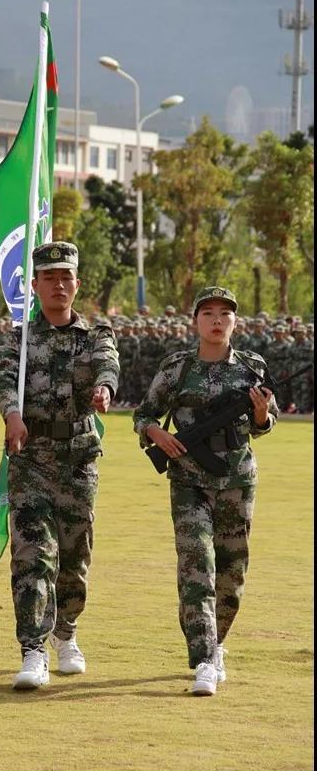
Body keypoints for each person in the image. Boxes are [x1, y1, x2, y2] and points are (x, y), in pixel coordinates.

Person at [133, 286, 278, 697]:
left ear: (234, 322)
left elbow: (265, 425)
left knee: (232, 571)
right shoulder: (178, 368)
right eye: (208, 313)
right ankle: (203, 659)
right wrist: (157, 433)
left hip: (237, 479)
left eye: (225, 314)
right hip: (189, 480)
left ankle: (217, 643)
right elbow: (144, 413)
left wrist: (261, 414)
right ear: (195, 320)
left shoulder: (252, 367)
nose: (217, 320)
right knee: (197, 564)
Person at [0, 241, 120, 690]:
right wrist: (12, 415)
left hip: (78, 460)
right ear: (35, 285)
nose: (58, 285)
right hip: (30, 458)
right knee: (33, 555)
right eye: (49, 277)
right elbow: (6, 380)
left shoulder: (96, 336)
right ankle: (33, 649)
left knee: (73, 556)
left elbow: (107, 366)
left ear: (77, 284)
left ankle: (65, 632)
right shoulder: (19, 340)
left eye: (66, 277)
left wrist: (104, 390)